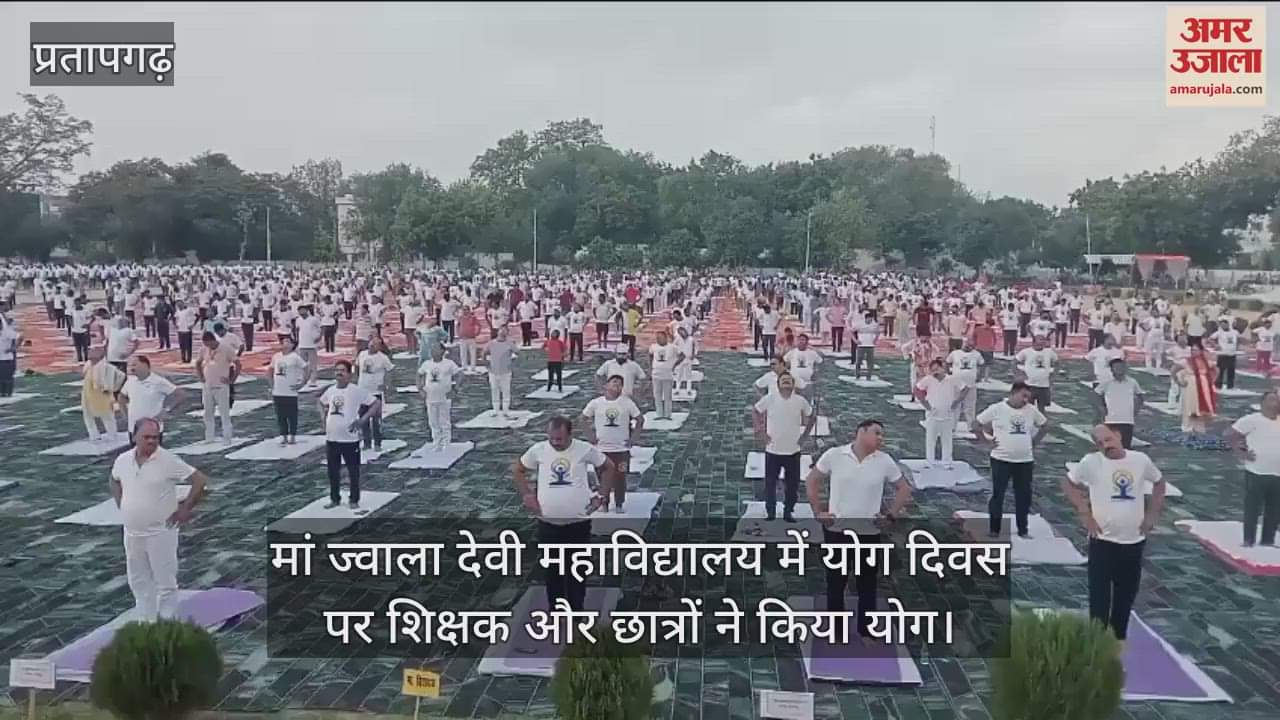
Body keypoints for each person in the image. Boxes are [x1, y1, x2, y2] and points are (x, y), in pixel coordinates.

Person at [1062, 425, 1165, 649]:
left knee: (1125, 599)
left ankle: (1117, 644)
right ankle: (1096, 647)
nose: (1105, 445)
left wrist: (1152, 515)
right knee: (1099, 599)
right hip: (1103, 542)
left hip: (1133, 542)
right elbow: (1068, 484)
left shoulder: (1140, 460)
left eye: (1108, 439)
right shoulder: (1091, 462)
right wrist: (1083, 511)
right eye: (1100, 443)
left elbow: (1159, 483)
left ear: (1118, 436)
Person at [806, 418, 912, 634]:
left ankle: (866, 630)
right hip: (837, 530)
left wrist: (891, 515)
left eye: (882, 434)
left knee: (867, 584)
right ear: (861, 432)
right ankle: (836, 629)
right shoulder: (835, 455)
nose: (881, 438)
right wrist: (818, 511)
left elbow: (904, 489)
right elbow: (812, 480)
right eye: (877, 433)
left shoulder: (884, 461)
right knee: (836, 582)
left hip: (868, 533)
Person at [109, 417, 209, 621]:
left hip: (160, 533)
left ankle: (167, 622)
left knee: (165, 582)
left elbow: (199, 480)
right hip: (133, 533)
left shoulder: (167, 460)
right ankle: (147, 620)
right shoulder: (123, 460)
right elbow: (114, 479)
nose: (152, 441)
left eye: (155, 437)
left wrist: (185, 509)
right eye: (146, 437)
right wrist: (123, 503)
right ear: (134, 437)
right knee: (138, 580)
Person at [514, 416, 614, 611]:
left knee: (577, 569)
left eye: (559, 439)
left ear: (570, 434)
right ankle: (556, 609)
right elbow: (518, 470)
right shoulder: (538, 450)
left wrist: (601, 495)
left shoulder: (584, 449)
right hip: (548, 523)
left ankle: (577, 610)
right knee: (553, 570)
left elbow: (608, 467)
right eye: (551, 438)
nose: (555, 443)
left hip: (578, 523)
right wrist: (527, 494)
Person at [974, 382, 1049, 538]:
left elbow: (1045, 425)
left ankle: (1023, 529)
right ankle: (995, 528)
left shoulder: (1031, 410)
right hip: (1001, 459)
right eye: (1023, 396)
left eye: (1028, 397)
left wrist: (1034, 442)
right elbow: (977, 424)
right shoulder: (997, 408)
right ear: (1013, 393)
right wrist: (986, 441)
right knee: (998, 494)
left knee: (1023, 496)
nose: (1026, 400)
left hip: (1025, 461)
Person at [752, 371, 815, 522]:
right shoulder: (770, 398)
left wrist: (805, 435)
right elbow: (755, 411)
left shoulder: (800, 400)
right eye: (783, 380)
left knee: (792, 485)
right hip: (773, 450)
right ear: (778, 384)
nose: (786, 382)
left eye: (789, 380)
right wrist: (759, 430)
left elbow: (812, 416)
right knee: (770, 484)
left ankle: (788, 511)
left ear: (793, 384)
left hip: (793, 450)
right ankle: (771, 512)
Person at [319, 361, 381, 509]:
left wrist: (363, 419)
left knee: (353, 471)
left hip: (349, 439)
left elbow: (375, 403)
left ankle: (354, 499)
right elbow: (320, 402)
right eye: (337, 370)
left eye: (342, 371)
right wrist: (322, 417)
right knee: (333, 471)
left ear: (349, 374)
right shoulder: (331, 390)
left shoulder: (356, 391)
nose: (339, 373)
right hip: (332, 438)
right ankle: (335, 498)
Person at [582, 375, 644, 514]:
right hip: (601, 449)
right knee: (602, 478)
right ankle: (604, 503)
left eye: (620, 384)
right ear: (606, 386)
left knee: (620, 478)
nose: (617, 385)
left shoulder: (627, 403)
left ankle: (619, 503)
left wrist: (634, 438)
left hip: (621, 449)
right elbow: (583, 418)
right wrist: (590, 435)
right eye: (614, 382)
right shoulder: (596, 403)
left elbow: (640, 420)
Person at [1226, 391, 1280, 547]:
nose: (1274, 404)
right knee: (1252, 508)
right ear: (1262, 403)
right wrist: (1240, 452)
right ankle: (1248, 540)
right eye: (1271, 400)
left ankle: (1267, 540)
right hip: (1257, 472)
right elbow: (1230, 434)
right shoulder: (1252, 420)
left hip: (1277, 474)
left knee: (1274, 510)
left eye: (1277, 400)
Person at [916, 359, 967, 468]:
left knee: (947, 440)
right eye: (933, 370)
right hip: (932, 415)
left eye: (937, 369)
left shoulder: (952, 379)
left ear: (942, 368)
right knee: (930, 440)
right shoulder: (928, 380)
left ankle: (947, 462)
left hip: (948, 415)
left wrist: (957, 401)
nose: (935, 372)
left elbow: (965, 388)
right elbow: (917, 389)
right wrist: (926, 405)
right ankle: (930, 461)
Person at [118, 356, 179, 445]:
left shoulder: (158, 381)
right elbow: (121, 397)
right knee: (136, 455)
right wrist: (125, 414)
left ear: (145, 365)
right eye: (130, 365)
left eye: (134, 365)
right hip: (133, 428)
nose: (131, 368)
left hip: (152, 430)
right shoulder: (130, 380)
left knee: (153, 457)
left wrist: (167, 410)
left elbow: (180, 394)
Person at [194, 331, 238, 443]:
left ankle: (227, 437)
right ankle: (209, 437)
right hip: (207, 385)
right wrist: (200, 376)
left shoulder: (226, 348)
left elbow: (238, 364)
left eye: (209, 344)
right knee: (208, 413)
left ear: (213, 340)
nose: (208, 347)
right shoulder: (204, 349)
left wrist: (231, 380)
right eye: (205, 344)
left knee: (224, 413)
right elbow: (198, 363)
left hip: (221, 386)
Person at [417, 344, 461, 452]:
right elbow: (419, 375)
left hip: (444, 397)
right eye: (432, 349)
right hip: (430, 397)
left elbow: (459, 374)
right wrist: (420, 389)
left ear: (442, 351)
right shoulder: (427, 364)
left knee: (444, 421)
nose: (433, 351)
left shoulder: (449, 363)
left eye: (436, 349)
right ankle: (436, 442)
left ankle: (447, 442)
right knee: (433, 421)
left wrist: (455, 389)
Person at [1093, 359, 1144, 450]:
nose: (1119, 369)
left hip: (1127, 420)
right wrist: (1102, 409)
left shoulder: (1132, 382)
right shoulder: (1106, 382)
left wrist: (1136, 410)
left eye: (1121, 367)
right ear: (1112, 370)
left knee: (1126, 447)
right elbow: (1096, 394)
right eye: (1116, 367)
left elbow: (1140, 396)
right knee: (1111, 446)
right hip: (1111, 419)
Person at [355, 335, 394, 452]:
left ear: (379, 346)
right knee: (363, 418)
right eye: (371, 343)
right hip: (362, 391)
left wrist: (386, 385)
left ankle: (377, 442)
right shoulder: (362, 354)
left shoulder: (383, 358)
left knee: (376, 420)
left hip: (375, 392)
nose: (372, 345)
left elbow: (390, 371)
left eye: (375, 344)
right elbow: (356, 367)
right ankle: (366, 442)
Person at [81, 345, 127, 443]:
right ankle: (94, 435)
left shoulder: (107, 367)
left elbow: (121, 376)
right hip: (87, 393)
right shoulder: (88, 364)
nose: (90, 353)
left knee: (107, 415)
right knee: (87, 415)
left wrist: (113, 387)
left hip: (102, 394)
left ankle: (112, 435)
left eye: (93, 352)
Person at [270, 335, 307, 445]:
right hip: (278, 391)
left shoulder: (295, 357)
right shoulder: (276, 356)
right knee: (280, 415)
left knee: (292, 415)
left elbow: (306, 368)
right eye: (283, 342)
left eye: (288, 342)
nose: (285, 344)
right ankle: (284, 436)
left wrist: (302, 383)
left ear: (292, 345)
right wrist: (271, 384)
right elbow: (270, 370)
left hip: (290, 392)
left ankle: (293, 436)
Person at [1175, 346, 1217, 435]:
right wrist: (1179, 382)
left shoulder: (1206, 362)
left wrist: (1212, 381)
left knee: (1201, 407)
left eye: (1196, 350)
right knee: (1190, 406)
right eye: (1192, 350)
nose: (1194, 352)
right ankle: (1187, 427)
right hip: (1190, 387)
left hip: (1203, 387)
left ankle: (1199, 427)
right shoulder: (1186, 361)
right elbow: (1173, 370)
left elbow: (1216, 370)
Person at [1014, 334, 1057, 413]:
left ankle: (1040, 423)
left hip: (1044, 385)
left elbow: (1057, 362)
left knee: (1042, 407)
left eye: (1042, 343)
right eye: (1039, 343)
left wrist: (1054, 374)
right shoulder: (1026, 351)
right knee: (1028, 407)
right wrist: (1019, 374)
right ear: (1033, 343)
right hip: (1029, 385)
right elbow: (1015, 361)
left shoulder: (1049, 352)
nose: (1041, 345)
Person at [947, 337, 984, 424]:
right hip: (956, 384)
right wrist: (948, 373)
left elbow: (982, 365)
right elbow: (947, 362)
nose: (968, 346)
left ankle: (971, 425)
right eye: (967, 344)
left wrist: (980, 376)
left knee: (970, 406)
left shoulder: (977, 354)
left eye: (971, 345)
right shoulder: (955, 353)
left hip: (971, 384)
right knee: (955, 404)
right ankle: (952, 425)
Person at [484, 326, 518, 417]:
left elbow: (519, 354)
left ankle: (505, 410)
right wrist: (486, 364)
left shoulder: (510, 344)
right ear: (498, 331)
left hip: (506, 372)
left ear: (507, 333)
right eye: (501, 330)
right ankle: (496, 410)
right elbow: (484, 353)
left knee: (506, 391)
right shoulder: (491, 343)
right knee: (494, 390)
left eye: (505, 330)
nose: (503, 332)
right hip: (493, 371)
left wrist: (513, 364)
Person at [649, 330, 678, 420]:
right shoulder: (653, 347)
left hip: (668, 374)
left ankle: (667, 414)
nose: (658, 340)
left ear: (665, 338)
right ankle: (659, 414)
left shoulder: (672, 347)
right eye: (657, 338)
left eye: (660, 338)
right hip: (656, 374)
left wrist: (674, 366)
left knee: (667, 395)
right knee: (657, 394)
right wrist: (651, 366)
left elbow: (682, 355)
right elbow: (650, 356)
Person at [1209, 318, 1240, 390]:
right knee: (1220, 371)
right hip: (1222, 354)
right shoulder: (1219, 332)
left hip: (1232, 354)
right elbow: (1210, 339)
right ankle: (1218, 386)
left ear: (1228, 324)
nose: (1223, 327)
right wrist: (1215, 345)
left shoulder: (1235, 332)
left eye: (1224, 325)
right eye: (1222, 325)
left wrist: (1237, 346)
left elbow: (1239, 339)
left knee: (1231, 371)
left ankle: (1230, 386)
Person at [852, 311, 880, 380]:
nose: (870, 320)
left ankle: (869, 376)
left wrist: (875, 340)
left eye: (871, 319)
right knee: (858, 361)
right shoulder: (860, 324)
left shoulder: (874, 325)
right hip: (861, 345)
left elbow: (878, 332)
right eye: (869, 319)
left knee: (870, 362)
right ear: (866, 318)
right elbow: (851, 332)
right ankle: (857, 375)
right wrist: (855, 340)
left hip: (870, 346)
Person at [0, 316, 17, 397]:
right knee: (1, 379)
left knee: (7, 378)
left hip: (6, 359)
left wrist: (13, 347)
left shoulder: (6, 332)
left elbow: (20, 337)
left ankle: (9, 393)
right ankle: (2, 393)